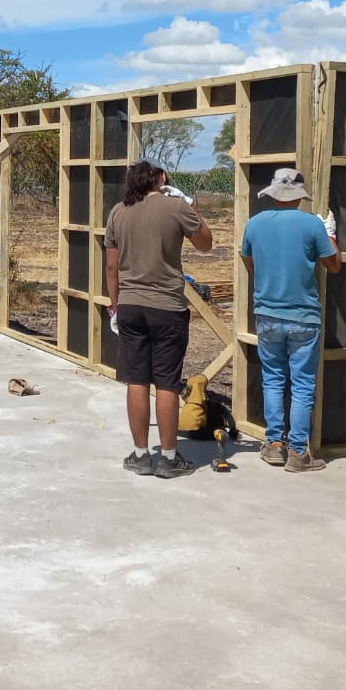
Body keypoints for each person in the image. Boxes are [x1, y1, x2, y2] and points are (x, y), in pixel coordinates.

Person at [104, 160, 213, 478]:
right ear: (161, 178)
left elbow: (112, 267)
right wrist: (190, 206)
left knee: (136, 380)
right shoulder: (175, 207)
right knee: (166, 382)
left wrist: (116, 304)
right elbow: (206, 244)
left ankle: (141, 456)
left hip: (130, 306)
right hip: (167, 307)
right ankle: (168, 459)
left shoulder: (118, 212)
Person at [240, 168, 340, 471]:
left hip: (268, 313)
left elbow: (249, 262)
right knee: (303, 384)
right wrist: (330, 233)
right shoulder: (312, 225)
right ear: (299, 196)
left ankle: (274, 444)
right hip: (303, 316)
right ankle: (298, 452)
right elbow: (334, 265)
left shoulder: (254, 223)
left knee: (273, 379)